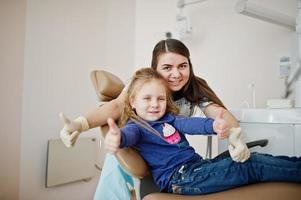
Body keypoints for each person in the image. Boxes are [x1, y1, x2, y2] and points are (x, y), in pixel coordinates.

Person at [59, 39, 243, 199]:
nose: (176, 74)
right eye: (167, 67)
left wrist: (236, 138)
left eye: (182, 66)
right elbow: (116, 106)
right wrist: (80, 124)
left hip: (167, 159)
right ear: (154, 69)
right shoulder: (142, 83)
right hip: (134, 142)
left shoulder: (194, 88)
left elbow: (220, 114)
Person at [104, 67, 301, 195]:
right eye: (147, 99)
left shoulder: (169, 118)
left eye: (161, 99)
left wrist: (213, 126)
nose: (155, 104)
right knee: (252, 165)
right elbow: (128, 137)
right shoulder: (137, 126)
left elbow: (190, 124)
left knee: (250, 158)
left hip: (196, 168)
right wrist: (117, 138)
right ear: (132, 102)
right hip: (180, 178)